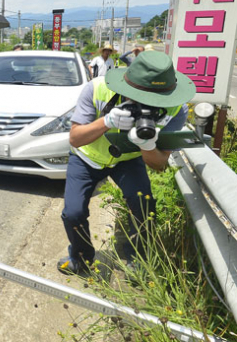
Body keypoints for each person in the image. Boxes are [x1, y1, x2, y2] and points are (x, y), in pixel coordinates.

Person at [57, 51, 195, 275]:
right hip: (87, 156)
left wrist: (146, 144)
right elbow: (75, 137)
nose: (146, 104)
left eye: (155, 101)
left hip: (129, 159)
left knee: (144, 206)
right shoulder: (97, 88)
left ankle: (137, 261)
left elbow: (159, 164)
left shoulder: (176, 109)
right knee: (73, 212)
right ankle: (81, 258)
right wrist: (106, 121)